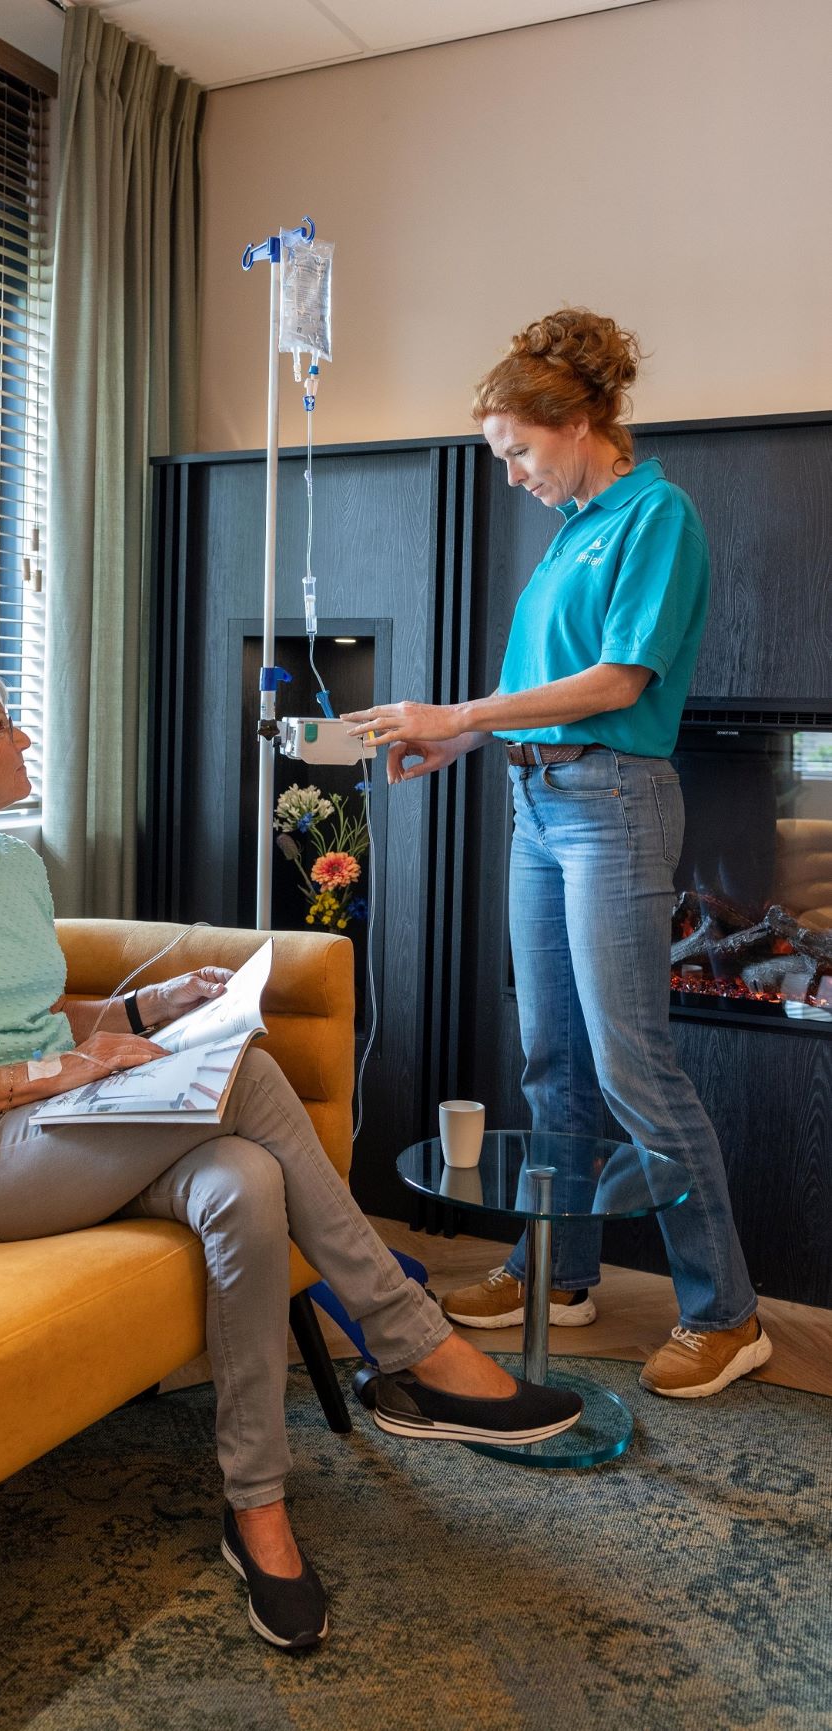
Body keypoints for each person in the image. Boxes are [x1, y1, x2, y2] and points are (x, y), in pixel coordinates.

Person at [0, 667, 581, 1654]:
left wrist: (154, 1008)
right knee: (255, 1083)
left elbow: (35, 1015)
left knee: (248, 1180)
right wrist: (61, 1069)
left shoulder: (13, 866)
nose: (23, 738)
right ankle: (412, 1347)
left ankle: (258, 1509)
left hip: (59, 1128)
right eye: (2, 726)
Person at [345, 309, 770, 1401]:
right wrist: (465, 739)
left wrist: (460, 709)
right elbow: (551, 689)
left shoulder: (654, 517)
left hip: (614, 804)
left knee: (633, 1061)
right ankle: (561, 1271)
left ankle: (727, 1314)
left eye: (519, 452)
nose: (512, 476)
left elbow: (618, 683)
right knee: (551, 1057)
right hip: (538, 803)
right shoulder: (574, 525)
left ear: (578, 422)